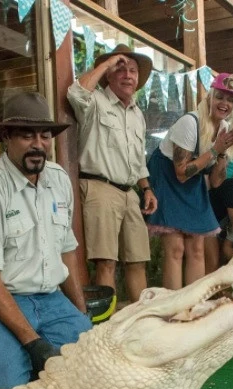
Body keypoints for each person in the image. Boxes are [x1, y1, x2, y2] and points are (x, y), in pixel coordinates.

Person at [0, 91, 93, 389]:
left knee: (93, 374)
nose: (38, 144)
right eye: (26, 135)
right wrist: (34, 344)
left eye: (45, 135)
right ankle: (20, 363)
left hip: (52, 300)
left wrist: (81, 314)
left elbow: (67, 252)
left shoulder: (58, 179)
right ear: (6, 137)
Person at [67, 44, 158, 303]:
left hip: (130, 192)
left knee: (138, 259)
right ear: (109, 76)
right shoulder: (96, 100)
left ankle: (142, 323)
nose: (128, 75)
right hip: (99, 187)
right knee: (106, 261)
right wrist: (107, 63)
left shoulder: (137, 113)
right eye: (121, 70)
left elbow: (137, 158)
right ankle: (108, 329)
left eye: (133, 71)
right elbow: (75, 93)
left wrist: (147, 188)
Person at [146, 72, 233, 289]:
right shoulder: (189, 123)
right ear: (210, 97)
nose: (224, 103)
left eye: (230, 100)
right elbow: (181, 172)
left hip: (194, 183)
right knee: (176, 249)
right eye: (220, 97)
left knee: (197, 249)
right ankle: (173, 308)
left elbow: (217, 182)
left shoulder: (225, 129)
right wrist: (214, 150)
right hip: (169, 178)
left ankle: (192, 306)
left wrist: (221, 155)